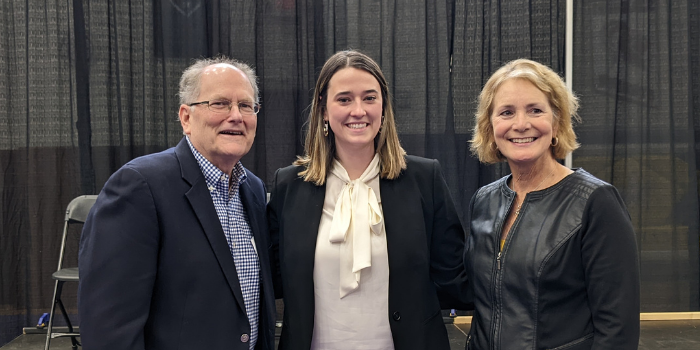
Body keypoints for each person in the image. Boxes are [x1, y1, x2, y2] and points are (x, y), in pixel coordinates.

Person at [267, 50, 470, 350]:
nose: (358, 110)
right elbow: (274, 280)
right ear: (323, 110)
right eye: (344, 99)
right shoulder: (290, 184)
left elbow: (453, 279)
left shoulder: (424, 179)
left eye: (370, 98)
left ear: (384, 107)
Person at [78, 57, 276, 350]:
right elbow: (109, 328)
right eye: (219, 103)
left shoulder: (254, 190)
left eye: (246, 106)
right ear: (186, 117)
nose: (236, 115)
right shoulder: (139, 186)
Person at [465, 58, 640, 349]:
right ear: (490, 126)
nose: (521, 124)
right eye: (507, 112)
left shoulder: (596, 203)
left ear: (557, 121)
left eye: (535, 110)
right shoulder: (484, 200)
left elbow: (617, 329)